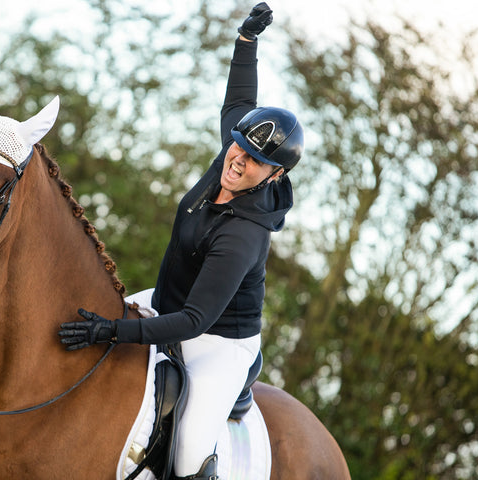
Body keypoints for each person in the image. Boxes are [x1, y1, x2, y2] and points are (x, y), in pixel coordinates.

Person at [59, 3, 304, 479]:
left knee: (190, 451)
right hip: (164, 303)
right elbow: (237, 103)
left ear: (274, 174)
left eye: (256, 160)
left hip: (214, 342)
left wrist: (112, 330)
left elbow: (192, 321)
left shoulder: (244, 235)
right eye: (241, 146)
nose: (240, 159)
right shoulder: (230, 157)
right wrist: (246, 42)